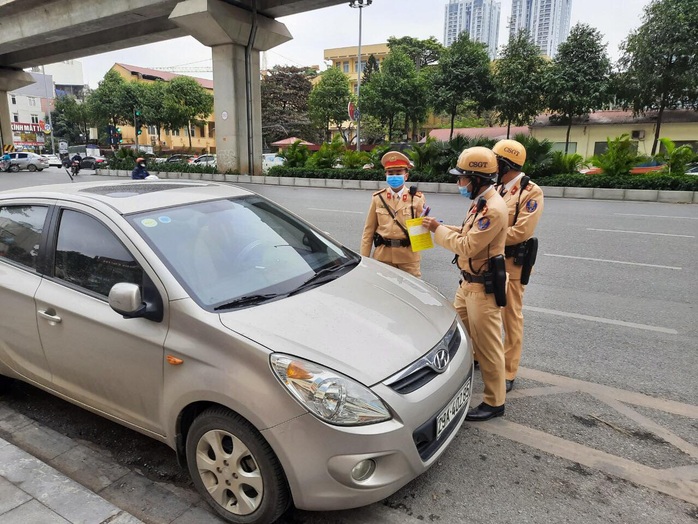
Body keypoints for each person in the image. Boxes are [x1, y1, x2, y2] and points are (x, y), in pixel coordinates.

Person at [422, 147, 508, 421]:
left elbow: (468, 246)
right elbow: (469, 232)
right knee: (455, 336)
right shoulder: (481, 202)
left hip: (482, 289)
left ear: (477, 179)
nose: (459, 183)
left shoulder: (493, 209)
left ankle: (495, 402)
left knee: (488, 347)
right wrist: (441, 225)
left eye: (462, 178)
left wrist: (437, 230)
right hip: (468, 285)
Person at [492, 139, 544, 393]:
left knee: (510, 317)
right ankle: (483, 357)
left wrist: (487, 236)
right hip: (492, 260)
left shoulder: (530, 192)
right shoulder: (498, 189)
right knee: (484, 313)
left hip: (513, 264)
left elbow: (522, 231)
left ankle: (509, 369)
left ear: (506, 164)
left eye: (496, 161)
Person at [360, 151, 426, 278]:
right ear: (385, 175)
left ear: (406, 176)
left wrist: (426, 223)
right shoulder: (378, 198)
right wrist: (364, 259)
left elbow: (420, 231)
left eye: (398, 173)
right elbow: (368, 231)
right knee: (384, 293)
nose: (394, 176)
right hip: (383, 257)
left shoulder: (417, 198)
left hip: (408, 258)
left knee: (411, 292)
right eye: (390, 173)